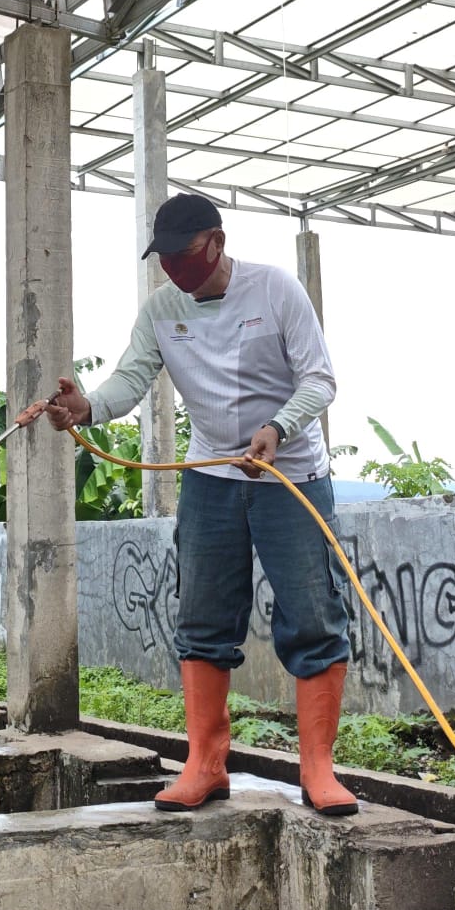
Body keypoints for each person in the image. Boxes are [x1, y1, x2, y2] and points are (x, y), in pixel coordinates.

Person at [41, 192, 357, 816]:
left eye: (183, 255)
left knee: (312, 616)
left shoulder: (275, 289)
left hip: (290, 474)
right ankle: (206, 764)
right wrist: (87, 407)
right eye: (164, 259)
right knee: (203, 619)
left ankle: (318, 770)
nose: (173, 270)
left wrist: (278, 428)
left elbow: (320, 379)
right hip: (211, 477)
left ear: (216, 242)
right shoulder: (162, 308)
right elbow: (131, 378)